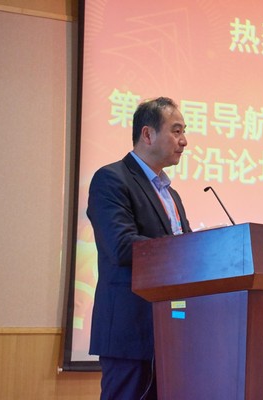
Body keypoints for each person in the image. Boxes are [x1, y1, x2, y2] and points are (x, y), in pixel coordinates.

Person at [87, 97, 191, 399]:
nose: (184, 141)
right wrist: (188, 250)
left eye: (184, 132)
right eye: (176, 131)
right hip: (130, 332)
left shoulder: (171, 194)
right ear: (147, 134)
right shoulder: (111, 179)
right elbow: (121, 246)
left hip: (171, 333)